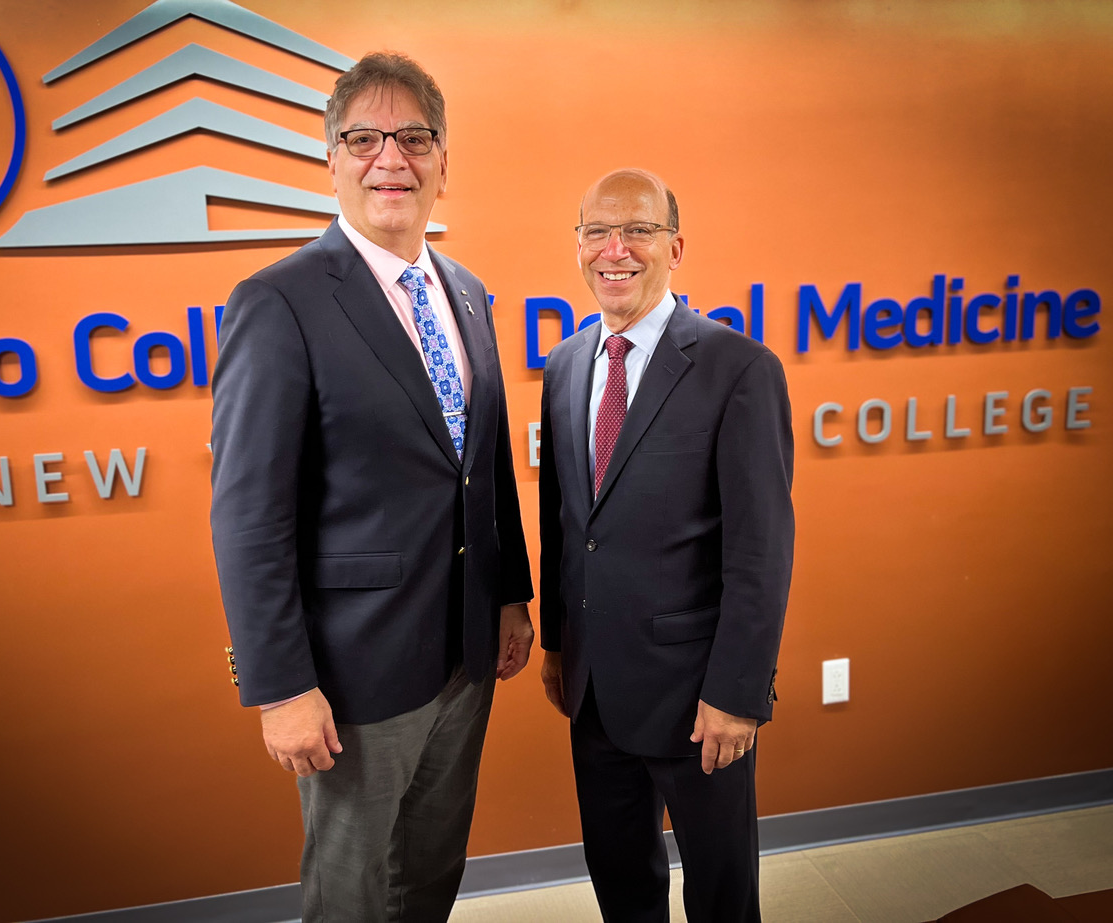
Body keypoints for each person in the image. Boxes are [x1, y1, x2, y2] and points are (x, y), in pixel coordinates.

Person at [210, 52, 534, 923]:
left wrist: (509, 597)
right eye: (365, 138)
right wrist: (280, 686)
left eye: (415, 138)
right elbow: (248, 516)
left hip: (463, 657)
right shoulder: (278, 302)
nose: (391, 158)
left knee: (431, 872)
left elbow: (485, 463)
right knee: (352, 894)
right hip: (353, 671)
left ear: (442, 159)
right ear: (331, 158)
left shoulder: (466, 294)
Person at [537, 169, 794, 923]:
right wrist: (557, 646)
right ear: (577, 245)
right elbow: (568, 526)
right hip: (593, 693)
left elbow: (761, 552)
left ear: (675, 246)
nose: (615, 250)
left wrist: (737, 694)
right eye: (596, 231)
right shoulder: (564, 366)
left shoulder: (738, 369)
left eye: (638, 230)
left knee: (720, 896)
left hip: (699, 701)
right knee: (622, 885)